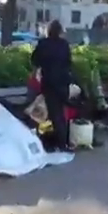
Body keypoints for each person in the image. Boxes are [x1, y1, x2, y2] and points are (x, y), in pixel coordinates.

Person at [31, 20, 73, 152]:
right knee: (60, 113)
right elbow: (69, 62)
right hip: (63, 82)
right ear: (60, 31)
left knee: (53, 113)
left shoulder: (43, 44)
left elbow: (34, 60)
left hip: (49, 82)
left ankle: (57, 143)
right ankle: (62, 142)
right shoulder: (64, 45)